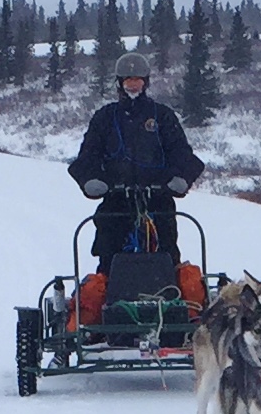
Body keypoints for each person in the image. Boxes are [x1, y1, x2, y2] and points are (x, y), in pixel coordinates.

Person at [66, 58, 204, 324]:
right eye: (128, 80)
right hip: (116, 203)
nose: (133, 85)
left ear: (146, 82)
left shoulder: (162, 116)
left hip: (158, 202)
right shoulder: (106, 117)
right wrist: (91, 180)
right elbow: (88, 155)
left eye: (138, 80)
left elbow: (182, 153)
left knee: (167, 256)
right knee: (109, 258)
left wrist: (181, 178)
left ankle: (182, 317)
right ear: (119, 83)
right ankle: (98, 321)